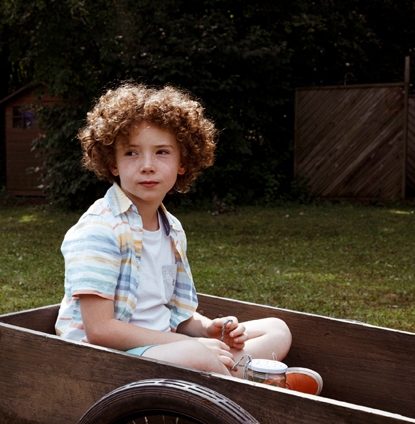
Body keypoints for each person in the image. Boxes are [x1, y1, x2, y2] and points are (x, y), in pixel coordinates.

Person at [54, 82, 322, 395]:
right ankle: (260, 392)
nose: (147, 166)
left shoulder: (171, 229)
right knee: (196, 354)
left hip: (166, 347)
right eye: (131, 153)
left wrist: (207, 328)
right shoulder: (100, 229)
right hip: (110, 359)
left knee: (277, 330)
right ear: (113, 163)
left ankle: (239, 374)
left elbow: (174, 312)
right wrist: (190, 344)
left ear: (182, 162)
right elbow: (100, 331)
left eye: (162, 152)